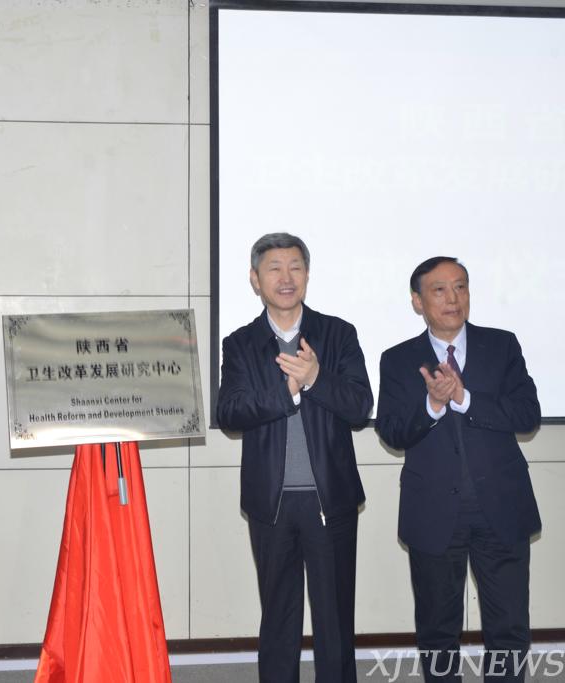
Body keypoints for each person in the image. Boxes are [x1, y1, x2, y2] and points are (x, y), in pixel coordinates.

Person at [376, 257, 540, 682]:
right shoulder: (397, 359)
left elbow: (527, 415)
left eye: (461, 286)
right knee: (437, 632)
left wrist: (465, 399)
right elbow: (392, 431)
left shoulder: (501, 346)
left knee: (509, 630)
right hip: (432, 512)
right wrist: (432, 404)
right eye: (439, 289)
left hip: (501, 508)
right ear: (417, 301)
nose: (453, 298)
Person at [217, 232, 371, 682]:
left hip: (332, 499)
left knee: (335, 618)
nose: (286, 278)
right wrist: (285, 393)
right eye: (274, 269)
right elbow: (230, 413)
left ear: (307, 274)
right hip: (271, 502)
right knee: (278, 617)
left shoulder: (338, 334)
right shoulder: (241, 343)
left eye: (295, 267)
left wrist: (317, 377)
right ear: (255, 279)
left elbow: (360, 406)